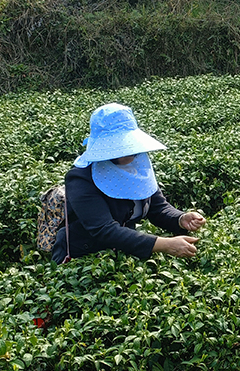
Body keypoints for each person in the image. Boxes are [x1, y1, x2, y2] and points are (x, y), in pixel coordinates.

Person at [50, 103, 205, 262]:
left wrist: (181, 218)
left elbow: (158, 207)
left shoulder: (138, 166)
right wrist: (163, 244)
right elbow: (104, 229)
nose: (129, 152)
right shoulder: (81, 178)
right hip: (84, 260)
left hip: (122, 256)